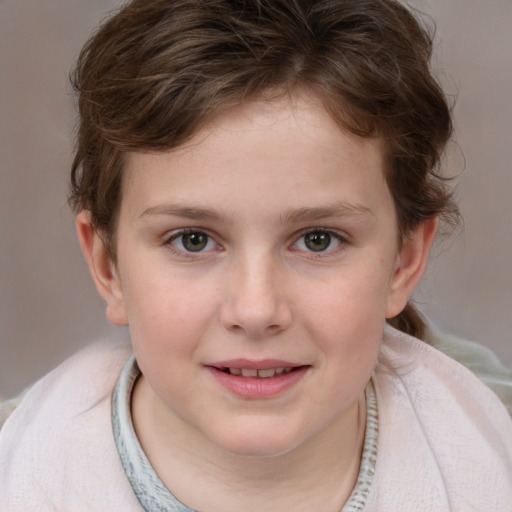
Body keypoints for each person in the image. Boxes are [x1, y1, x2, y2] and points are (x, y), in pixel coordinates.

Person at [1, 0, 511, 510]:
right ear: (108, 266)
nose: (256, 310)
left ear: (403, 261)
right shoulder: (22, 471)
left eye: (318, 239)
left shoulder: (493, 451)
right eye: (193, 240)